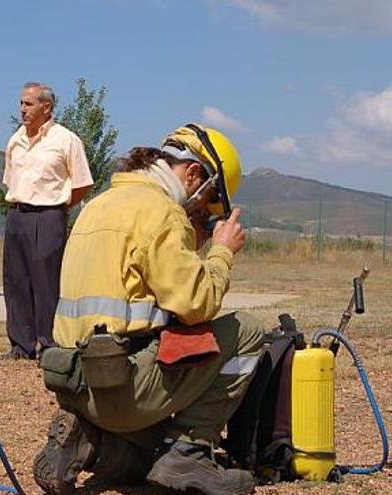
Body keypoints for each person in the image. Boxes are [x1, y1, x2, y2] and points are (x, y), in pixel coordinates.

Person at [33, 124, 264, 495]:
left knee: (151, 459)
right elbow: (196, 305)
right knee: (248, 329)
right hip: (122, 388)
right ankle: (191, 450)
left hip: (77, 385)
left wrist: (191, 245)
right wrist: (221, 251)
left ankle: (90, 441)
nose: (198, 213)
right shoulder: (162, 213)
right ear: (193, 175)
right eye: (204, 203)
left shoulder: (97, 206)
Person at [2, 82, 93, 360]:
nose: (22, 109)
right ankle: (21, 344)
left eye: (28, 104)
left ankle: (50, 342)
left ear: (47, 107)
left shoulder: (66, 140)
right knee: (15, 281)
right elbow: (9, 179)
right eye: (21, 103)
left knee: (46, 281)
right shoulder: (15, 140)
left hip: (49, 214)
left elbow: (82, 183)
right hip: (17, 213)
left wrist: (60, 206)